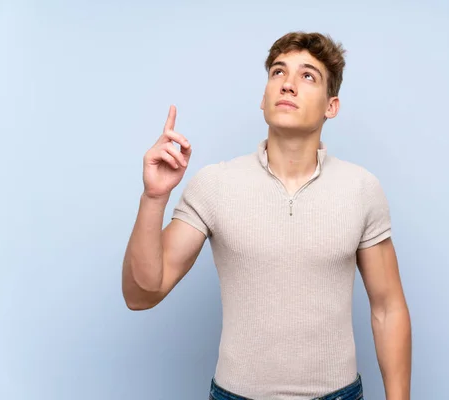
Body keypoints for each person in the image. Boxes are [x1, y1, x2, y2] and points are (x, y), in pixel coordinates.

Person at [122, 31, 412, 400]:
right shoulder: (215, 184)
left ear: (331, 106)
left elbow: (388, 309)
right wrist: (154, 197)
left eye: (308, 76)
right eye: (278, 72)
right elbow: (141, 292)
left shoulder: (361, 188)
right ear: (263, 99)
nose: (288, 84)